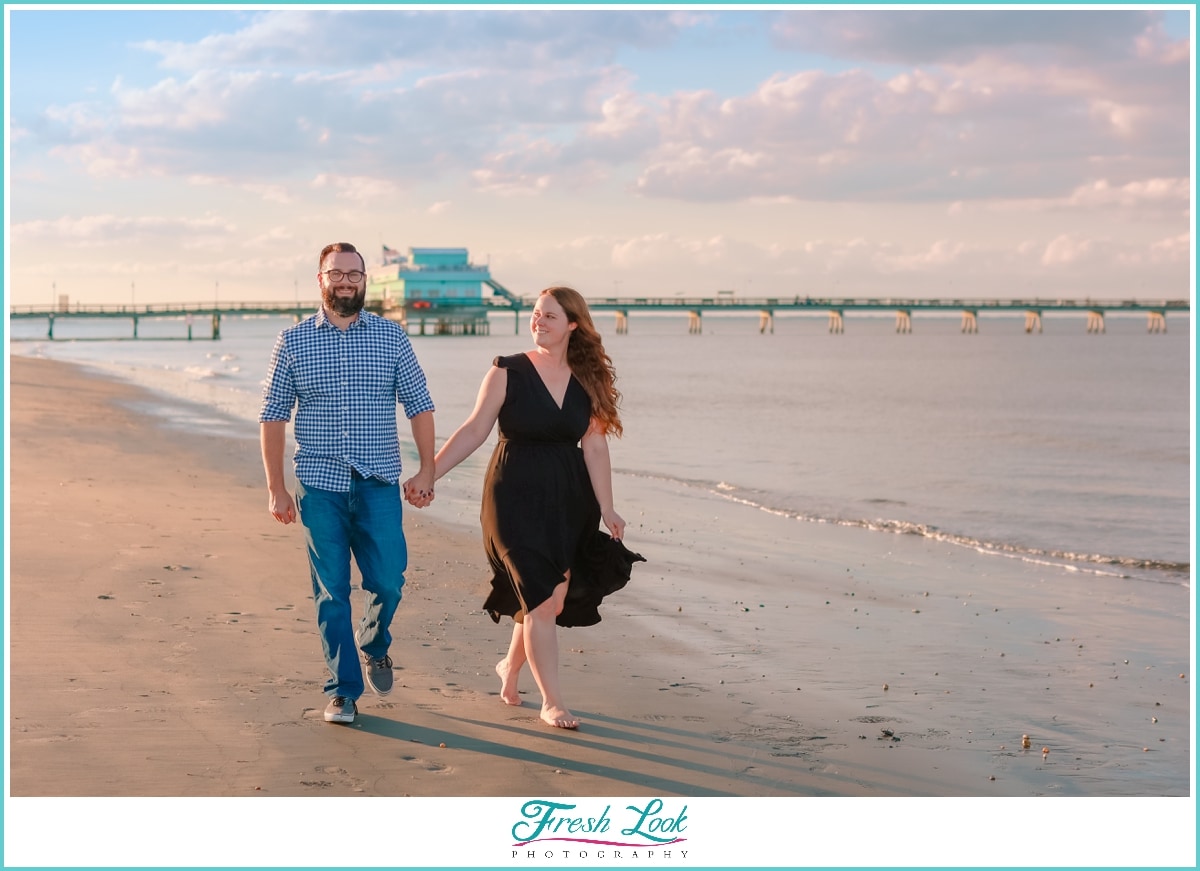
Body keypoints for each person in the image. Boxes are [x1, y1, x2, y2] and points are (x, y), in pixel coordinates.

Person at [432, 286, 644, 729]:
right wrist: (428, 474)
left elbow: (595, 446)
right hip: (512, 495)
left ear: (572, 324)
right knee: (543, 598)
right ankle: (552, 701)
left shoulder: (589, 379)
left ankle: (509, 668)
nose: (539, 322)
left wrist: (608, 507)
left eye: (549, 316)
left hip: (568, 500)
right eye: (535, 314)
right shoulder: (506, 371)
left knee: (548, 598)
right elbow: (474, 430)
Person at [259, 242, 436, 725]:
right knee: (331, 592)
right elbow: (273, 417)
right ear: (320, 279)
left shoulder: (391, 338)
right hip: (319, 486)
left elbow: (419, 405)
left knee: (388, 581)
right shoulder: (292, 341)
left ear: (365, 280)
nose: (345, 281)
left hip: (378, 482)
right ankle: (342, 690)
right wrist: (276, 487)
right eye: (335, 273)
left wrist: (427, 470)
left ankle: (375, 643)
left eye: (354, 274)